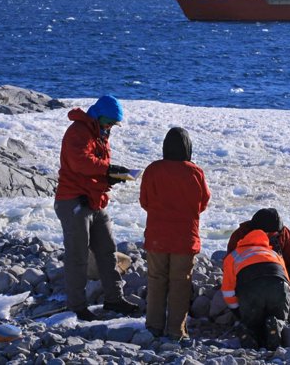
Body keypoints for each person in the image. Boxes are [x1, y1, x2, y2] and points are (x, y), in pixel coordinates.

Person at [54, 94, 138, 321]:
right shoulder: (78, 131)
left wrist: (110, 178)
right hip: (73, 199)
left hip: (93, 199)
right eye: (108, 122)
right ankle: (77, 306)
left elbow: (94, 168)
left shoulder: (100, 133)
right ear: (98, 116)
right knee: (77, 256)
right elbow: (81, 162)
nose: (110, 127)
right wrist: (108, 170)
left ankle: (114, 299)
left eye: (113, 124)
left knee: (107, 250)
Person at [139, 127, 211, 341]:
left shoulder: (153, 169)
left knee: (156, 280)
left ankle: (153, 326)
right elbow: (203, 202)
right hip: (184, 237)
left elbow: (145, 201)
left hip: (156, 235)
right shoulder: (195, 172)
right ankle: (176, 331)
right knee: (181, 283)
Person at [222, 229, 290, 350]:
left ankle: (249, 333)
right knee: (279, 317)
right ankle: (276, 326)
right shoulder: (274, 254)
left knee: (253, 322)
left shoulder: (233, 255)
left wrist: (237, 311)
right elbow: (288, 285)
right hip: (278, 286)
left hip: (251, 288)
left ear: (243, 241)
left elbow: (228, 291)